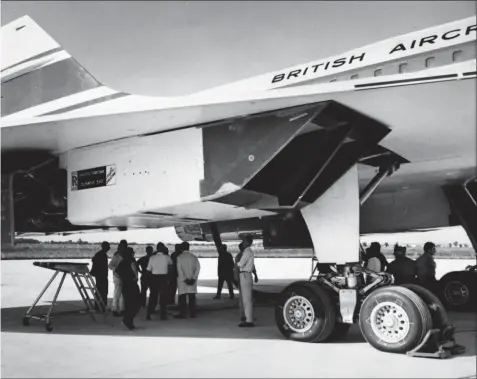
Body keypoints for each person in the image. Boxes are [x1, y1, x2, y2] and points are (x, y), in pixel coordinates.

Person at [115, 247, 141, 330]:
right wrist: (135, 278)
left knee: (129, 305)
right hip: (132, 285)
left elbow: (116, 273)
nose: (133, 254)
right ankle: (127, 320)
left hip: (125, 286)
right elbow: (135, 273)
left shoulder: (122, 263)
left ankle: (129, 321)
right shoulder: (132, 262)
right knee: (136, 304)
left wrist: (123, 278)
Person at [146, 242, 173, 320]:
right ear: (163, 248)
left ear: (157, 249)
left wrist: (148, 280)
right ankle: (162, 315)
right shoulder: (167, 257)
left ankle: (148, 314)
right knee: (163, 297)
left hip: (154, 278)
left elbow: (148, 270)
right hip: (163, 278)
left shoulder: (152, 257)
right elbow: (171, 265)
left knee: (153, 297)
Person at [175, 242, 201, 319]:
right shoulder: (194, 257)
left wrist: (184, 279)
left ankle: (183, 313)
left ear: (182, 248)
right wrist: (193, 278)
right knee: (192, 298)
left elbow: (179, 269)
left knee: (182, 298)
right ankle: (192, 313)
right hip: (192, 280)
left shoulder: (179, 257)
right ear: (188, 248)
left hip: (183, 281)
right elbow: (198, 268)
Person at [235, 242, 258, 322]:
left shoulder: (243, 255)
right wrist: (255, 275)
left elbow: (239, 265)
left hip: (244, 276)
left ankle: (247, 317)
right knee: (247, 298)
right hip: (245, 276)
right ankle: (247, 316)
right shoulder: (246, 253)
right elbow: (253, 266)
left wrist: (236, 278)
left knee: (245, 299)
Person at [108, 239, 127, 316]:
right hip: (117, 276)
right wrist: (116, 269)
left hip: (125, 276)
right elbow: (110, 265)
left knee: (123, 294)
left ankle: (122, 309)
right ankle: (114, 309)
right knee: (117, 293)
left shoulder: (125, 255)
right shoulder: (116, 256)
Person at [90, 241, 110, 311]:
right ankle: (101, 306)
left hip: (100, 276)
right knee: (103, 291)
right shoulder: (101, 255)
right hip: (101, 276)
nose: (109, 248)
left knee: (100, 291)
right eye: (108, 246)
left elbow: (93, 260)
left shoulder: (100, 254)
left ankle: (98, 306)